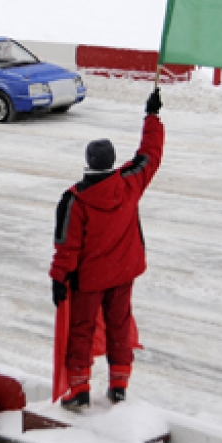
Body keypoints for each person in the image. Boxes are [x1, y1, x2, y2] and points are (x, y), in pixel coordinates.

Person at [50, 89, 164, 411]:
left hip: (89, 280)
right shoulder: (129, 183)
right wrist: (152, 117)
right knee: (119, 326)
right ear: (112, 161)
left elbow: (66, 247)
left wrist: (59, 279)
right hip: (123, 273)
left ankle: (78, 389)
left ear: (88, 162)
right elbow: (150, 155)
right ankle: (118, 385)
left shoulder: (74, 200)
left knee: (81, 332)